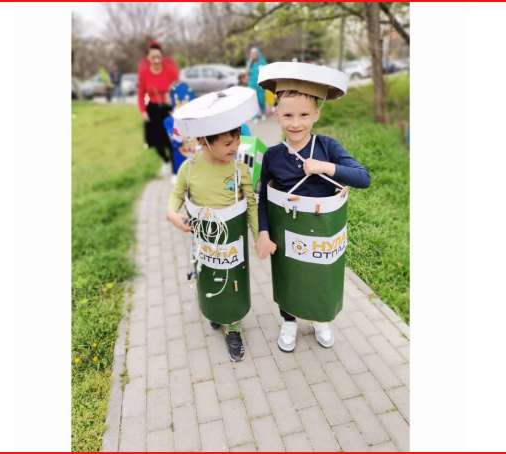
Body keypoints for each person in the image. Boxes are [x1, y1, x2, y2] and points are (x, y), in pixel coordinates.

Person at [255, 62, 371, 353]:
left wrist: (325, 167)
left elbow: (363, 178)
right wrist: (264, 233)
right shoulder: (272, 156)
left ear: (317, 114)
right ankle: (289, 321)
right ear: (277, 115)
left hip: (321, 231)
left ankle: (320, 318)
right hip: (285, 231)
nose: (296, 123)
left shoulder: (327, 147)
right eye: (288, 115)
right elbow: (263, 196)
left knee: (319, 272)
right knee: (289, 275)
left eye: (304, 115)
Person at [168, 86, 261, 362]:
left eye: (237, 140)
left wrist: (259, 236)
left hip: (232, 242)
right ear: (204, 141)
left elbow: (251, 203)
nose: (235, 147)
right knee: (208, 276)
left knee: (232, 282)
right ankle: (214, 311)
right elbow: (177, 194)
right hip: (205, 242)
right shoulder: (189, 169)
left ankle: (233, 327)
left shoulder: (239, 169)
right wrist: (172, 213)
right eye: (228, 143)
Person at [137, 40, 179, 175]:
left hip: (168, 109)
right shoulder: (144, 73)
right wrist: (143, 111)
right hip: (153, 109)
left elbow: (178, 88)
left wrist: (172, 97)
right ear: (148, 58)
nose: (156, 60)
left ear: (162, 57)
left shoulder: (169, 70)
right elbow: (141, 94)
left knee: (171, 140)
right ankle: (166, 161)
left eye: (158, 56)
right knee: (156, 142)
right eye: (153, 57)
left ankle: (175, 171)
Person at [246, 47, 268, 121]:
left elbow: (265, 72)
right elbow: (247, 73)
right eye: (252, 54)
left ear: (257, 54)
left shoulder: (262, 62)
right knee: (254, 101)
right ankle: (254, 116)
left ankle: (263, 113)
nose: (253, 55)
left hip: (260, 85)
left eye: (254, 53)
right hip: (252, 85)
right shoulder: (249, 63)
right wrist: (250, 63)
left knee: (261, 100)